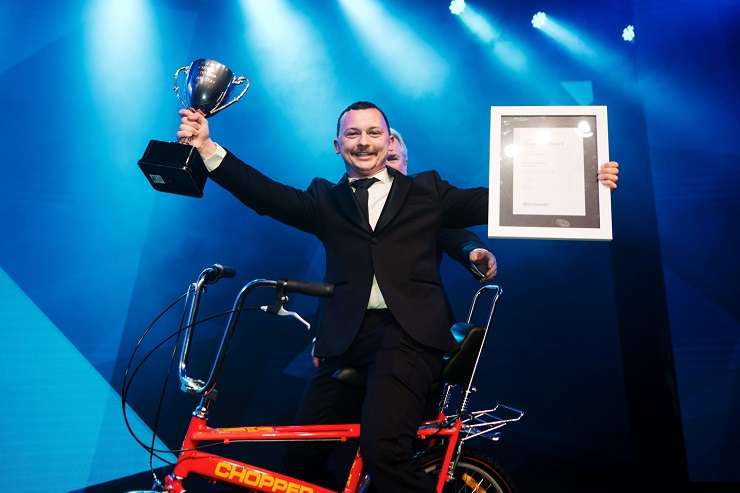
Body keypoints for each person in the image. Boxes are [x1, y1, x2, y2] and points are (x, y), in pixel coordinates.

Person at [177, 101, 618, 492]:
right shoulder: (324, 201)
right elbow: (265, 196)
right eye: (353, 134)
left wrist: (586, 179)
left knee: (384, 449)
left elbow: (495, 200)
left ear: (389, 142)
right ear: (337, 145)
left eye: (373, 133)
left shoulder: (424, 191)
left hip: (407, 336)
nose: (363, 142)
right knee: (300, 459)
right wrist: (207, 148)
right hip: (345, 340)